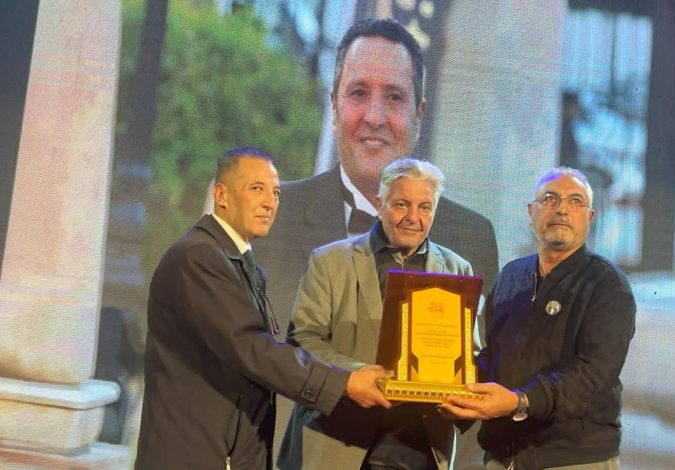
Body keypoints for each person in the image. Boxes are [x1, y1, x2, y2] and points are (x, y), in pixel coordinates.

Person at [135, 147, 391, 470]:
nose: (270, 203)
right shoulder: (199, 257)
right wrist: (345, 383)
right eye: (256, 188)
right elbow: (253, 349)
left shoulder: (240, 263)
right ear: (221, 194)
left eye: (276, 192)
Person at [251, 18, 498, 337]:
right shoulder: (269, 217)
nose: (374, 117)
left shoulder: (472, 238)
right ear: (334, 108)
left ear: (418, 115)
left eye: (394, 97)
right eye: (358, 93)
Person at [277, 158, 473, 470]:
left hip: (421, 450)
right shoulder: (329, 261)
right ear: (380, 205)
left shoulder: (457, 269)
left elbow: (469, 351)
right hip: (337, 443)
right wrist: (355, 375)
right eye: (402, 204)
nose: (413, 217)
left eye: (424, 207)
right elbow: (303, 339)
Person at [439, 167, 636, 469]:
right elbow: (493, 356)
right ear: (531, 212)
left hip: (572, 459)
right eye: (550, 199)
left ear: (590, 217)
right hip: (502, 457)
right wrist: (447, 385)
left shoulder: (606, 284)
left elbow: (593, 375)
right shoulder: (511, 276)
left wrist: (520, 401)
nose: (561, 209)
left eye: (575, 201)